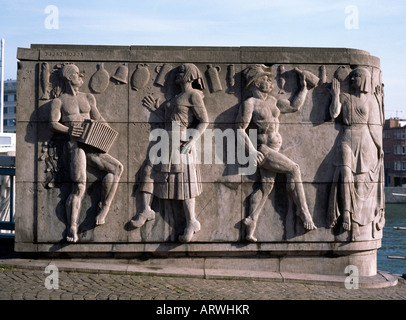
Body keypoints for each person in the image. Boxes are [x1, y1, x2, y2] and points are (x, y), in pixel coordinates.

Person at [236, 64, 317, 242]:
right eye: (264, 79)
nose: (269, 82)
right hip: (263, 150)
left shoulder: (273, 101)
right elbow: (239, 129)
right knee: (294, 169)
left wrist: (304, 88)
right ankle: (303, 212)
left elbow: (294, 106)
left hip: (275, 148)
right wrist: (251, 151)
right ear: (256, 83)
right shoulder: (249, 103)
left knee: (266, 187)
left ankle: (251, 221)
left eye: (268, 78)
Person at [131, 63, 209, 243]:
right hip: (165, 140)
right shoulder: (176, 97)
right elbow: (170, 118)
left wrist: (192, 140)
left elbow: (204, 121)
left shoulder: (194, 95)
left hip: (181, 141)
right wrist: (157, 109)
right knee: (147, 172)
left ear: (190, 75)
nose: (177, 74)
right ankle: (145, 211)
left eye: (182, 72)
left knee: (185, 182)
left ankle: (191, 222)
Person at [49, 63, 123, 243]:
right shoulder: (59, 101)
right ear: (68, 77)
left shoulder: (88, 98)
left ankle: (104, 207)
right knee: (79, 186)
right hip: (75, 145)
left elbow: (98, 118)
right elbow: (53, 123)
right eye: (76, 74)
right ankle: (72, 226)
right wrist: (68, 131)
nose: (80, 76)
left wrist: (107, 132)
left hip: (92, 142)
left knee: (117, 168)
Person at [328, 67, 384, 239]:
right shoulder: (345, 97)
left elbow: (375, 126)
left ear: (365, 79)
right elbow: (333, 114)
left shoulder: (370, 101)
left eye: (356, 77)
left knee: (360, 183)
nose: (352, 80)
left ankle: (356, 223)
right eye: (351, 78)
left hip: (365, 142)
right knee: (345, 174)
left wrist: (379, 146)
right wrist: (335, 95)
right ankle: (345, 213)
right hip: (346, 138)